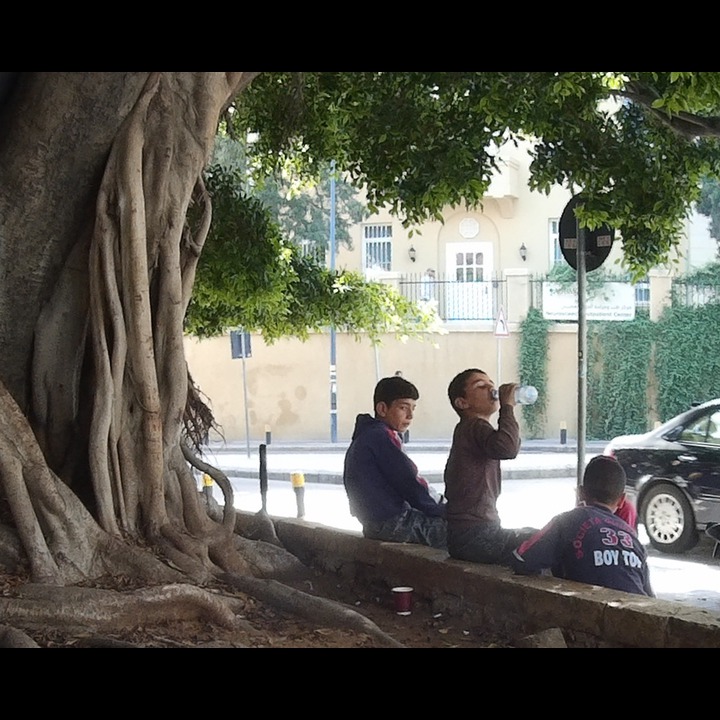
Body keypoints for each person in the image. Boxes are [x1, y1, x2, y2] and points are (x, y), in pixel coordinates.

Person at [510, 455, 654, 597]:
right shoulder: (632, 537)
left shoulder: (567, 520)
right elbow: (650, 596)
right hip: (637, 615)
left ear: (580, 493)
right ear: (622, 500)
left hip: (588, 614)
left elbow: (522, 560)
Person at [443, 368, 538, 566]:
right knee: (543, 542)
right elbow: (508, 448)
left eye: (491, 384)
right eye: (481, 385)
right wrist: (508, 408)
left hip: (469, 534)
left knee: (538, 537)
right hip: (475, 534)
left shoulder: (473, 429)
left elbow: (509, 443)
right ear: (462, 402)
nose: (491, 388)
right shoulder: (474, 426)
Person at [343, 375, 447, 548]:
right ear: (382, 409)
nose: (410, 415)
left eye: (413, 408)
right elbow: (410, 481)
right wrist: (443, 509)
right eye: (403, 407)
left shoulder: (367, 434)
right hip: (392, 522)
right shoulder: (381, 436)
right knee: (459, 534)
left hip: (373, 522)